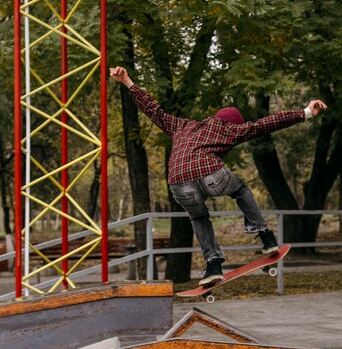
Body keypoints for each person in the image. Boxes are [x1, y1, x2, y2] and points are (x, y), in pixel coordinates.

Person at [110, 66, 327, 286]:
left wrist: (128, 81)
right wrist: (305, 112)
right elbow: (266, 123)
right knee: (241, 189)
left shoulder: (182, 125)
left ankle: (213, 265)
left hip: (178, 182)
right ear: (234, 123)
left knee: (198, 217)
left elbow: (153, 110)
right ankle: (265, 235)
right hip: (211, 174)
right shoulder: (231, 130)